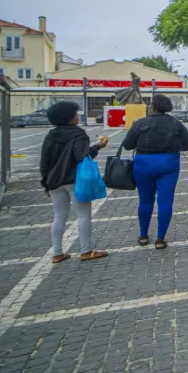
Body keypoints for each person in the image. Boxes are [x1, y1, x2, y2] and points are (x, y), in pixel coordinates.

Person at [39, 101, 110, 264]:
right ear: (70, 118)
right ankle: (86, 251)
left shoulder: (50, 136)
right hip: (75, 180)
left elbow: (44, 163)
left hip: (54, 181)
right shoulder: (78, 134)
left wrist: (45, 184)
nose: (78, 116)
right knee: (83, 214)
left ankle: (57, 253)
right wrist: (98, 146)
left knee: (58, 216)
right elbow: (83, 157)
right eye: (76, 114)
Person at [122, 94, 188, 249]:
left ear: (152, 106)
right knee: (165, 202)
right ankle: (160, 239)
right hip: (169, 164)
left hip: (143, 164)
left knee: (145, 201)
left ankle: (143, 236)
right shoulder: (176, 124)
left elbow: (127, 145)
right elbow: (187, 146)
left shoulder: (140, 123)